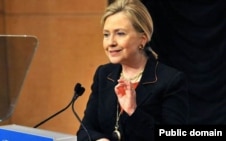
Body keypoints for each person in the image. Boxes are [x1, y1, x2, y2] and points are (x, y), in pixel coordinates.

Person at [77, 0, 189, 140]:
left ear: (142, 39)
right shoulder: (104, 74)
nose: (111, 42)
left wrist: (133, 111)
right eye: (106, 34)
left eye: (120, 33)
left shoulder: (171, 80)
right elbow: (85, 130)